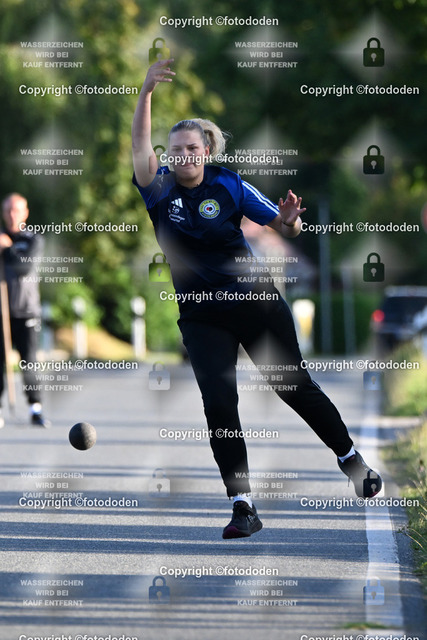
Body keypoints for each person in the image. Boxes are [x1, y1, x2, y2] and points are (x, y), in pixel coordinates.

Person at [132, 59, 382, 539]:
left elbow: (287, 226)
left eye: (192, 148)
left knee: (293, 387)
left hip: (255, 304)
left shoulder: (228, 183)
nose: (183, 155)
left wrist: (289, 220)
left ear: (206, 151)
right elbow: (139, 144)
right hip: (202, 316)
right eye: (175, 149)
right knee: (219, 403)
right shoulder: (157, 188)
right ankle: (242, 505)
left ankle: (351, 459)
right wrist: (145, 93)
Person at [0, 193, 49, 428]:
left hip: (26, 311)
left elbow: (24, 268)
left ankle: (35, 408)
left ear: (25, 213)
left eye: (17, 210)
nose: (12, 214)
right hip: (1, 312)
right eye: (8, 210)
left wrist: (7, 249)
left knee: (29, 361)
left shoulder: (33, 240)